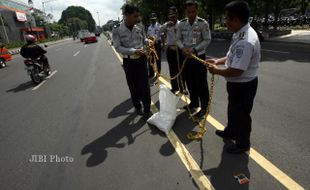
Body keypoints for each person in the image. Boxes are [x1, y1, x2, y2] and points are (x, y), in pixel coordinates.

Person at [207, 0, 261, 154]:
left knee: (241, 115)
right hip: (236, 84)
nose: (225, 22)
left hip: (243, 85)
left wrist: (216, 70)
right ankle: (231, 131)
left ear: (236, 20)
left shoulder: (246, 41)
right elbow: (231, 56)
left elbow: (237, 70)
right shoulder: (240, 32)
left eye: (227, 19)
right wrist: (218, 61)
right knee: (233, 110)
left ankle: (243, 144)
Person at [112, 4, 153, 120]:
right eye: (135, 16)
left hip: (141, 60)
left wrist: (148, 41)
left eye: (138, 16)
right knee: (133, 86)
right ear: (126, 15)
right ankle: (137, 107)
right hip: (129, 62)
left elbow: (144, 39)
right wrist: (134, 51)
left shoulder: (139, 26)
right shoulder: (117, 29)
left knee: (145, 86)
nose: (137, 19)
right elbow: (118, 47)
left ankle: (147, 109)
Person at [176, 0, 211, 118]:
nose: (191, 14)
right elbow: (178, 39)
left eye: (193, 11)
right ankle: (194, 103)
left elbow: (207, 39)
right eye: (188, 12)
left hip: (198, 57)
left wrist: (195, 50)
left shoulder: (203, 23)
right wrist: (182, 48)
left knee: (201, 83)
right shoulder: (181, 23)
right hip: (186, 56)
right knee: (189, 81)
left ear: (197, 10)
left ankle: (204, 107)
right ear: (185, 11)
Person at [160, 6, 186, 94]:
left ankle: (183, 87)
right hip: (170, 49)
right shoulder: (167, 25)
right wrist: (166, 25)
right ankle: (175, 87)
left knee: (181, 69)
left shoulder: (181, 24)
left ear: (177, 15)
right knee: (172, 69)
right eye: (170, 14)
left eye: (173, 14)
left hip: (179, 49)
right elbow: (160, 31)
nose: (171, 16)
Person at [147, 13, 162, 79]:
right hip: (150, 45)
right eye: (151, 19)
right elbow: (148, 36)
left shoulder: (159, 26)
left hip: (157, 44)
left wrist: (163, 45)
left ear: (156, 18)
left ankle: (158, 73)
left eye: (154, 19)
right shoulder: (149, 27)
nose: (152, 20)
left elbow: (162, 35)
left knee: (158, 60)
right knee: (150, 60)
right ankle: (151, 74)